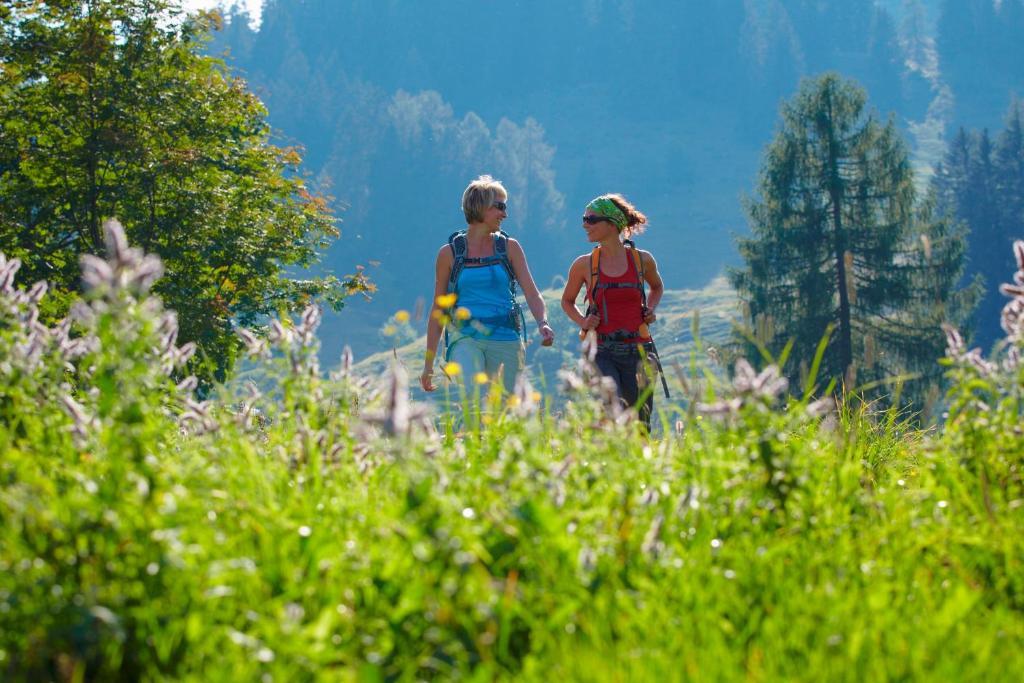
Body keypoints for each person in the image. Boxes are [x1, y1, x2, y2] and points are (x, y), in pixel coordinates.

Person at [421, 175, 554, 396]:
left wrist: (543, 323)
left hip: (506, 336)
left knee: (503, 409)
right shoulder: (449, 254)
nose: (505, 213)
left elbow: (532, 293)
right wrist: (429, 364)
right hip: (464, 337)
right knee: (473, 398)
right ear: (480, 206)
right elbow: (439, 310)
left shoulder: (510, 248)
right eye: (499, 206)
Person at [560, 194, 664, 430]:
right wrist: (583, 321)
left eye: (592, 219)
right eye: (584, 218)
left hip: (640, 350)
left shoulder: (642, 260)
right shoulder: (583, 264)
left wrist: (651, 309)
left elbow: (657, 287)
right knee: (611, 414)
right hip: (601, 352)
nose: (585, 224)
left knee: (640, 424)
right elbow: (567, 301)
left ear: (612, 223)